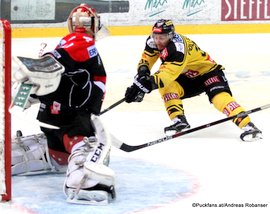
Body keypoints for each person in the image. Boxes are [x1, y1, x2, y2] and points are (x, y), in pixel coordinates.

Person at [11, 4, 115, 204]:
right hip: (72, 120)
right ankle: (82, 174)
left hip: (53, 120)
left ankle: (57, 156)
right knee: (87, 142)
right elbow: (55, 63)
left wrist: (28, 93)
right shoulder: (83, 39)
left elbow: (55, 72)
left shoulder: (71, 42)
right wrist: (38, 70)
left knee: (60, 143)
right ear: (93, 24)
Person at [125, 19, 262, 142]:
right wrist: (141, 77)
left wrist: (144, 86)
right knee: (167, 87)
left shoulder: (177, 49)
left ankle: (249, 126)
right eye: (156, 36)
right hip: (188, 77)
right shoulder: (152, 41)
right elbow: (146, 60)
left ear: (171, 36)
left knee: (219, 98)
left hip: (208, 73)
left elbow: (166, 75)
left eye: (163, 37)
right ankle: (179, 120)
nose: (158, 41)